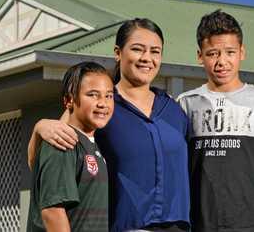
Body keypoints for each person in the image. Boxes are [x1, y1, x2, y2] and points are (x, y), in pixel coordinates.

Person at [27, 18, 191, 232]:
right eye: (137, 49)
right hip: (124, 226)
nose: (147, 58)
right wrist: (39, 128)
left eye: (155, 51)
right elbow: (48, 164)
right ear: (118, 52)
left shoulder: (174, 110)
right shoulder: (100, 108)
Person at [177, 10, 254, 232]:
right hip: (201, 224)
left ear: (242, 53)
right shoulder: (185, 103)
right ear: (200, 55)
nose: (222, 61)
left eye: (230, 52)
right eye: (212, 53)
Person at [27, 62, 114, 232]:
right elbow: (53, 212)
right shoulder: (62, 142)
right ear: (69, 100)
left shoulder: (89, 143)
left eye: (109, 96)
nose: (103, 103)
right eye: (93, 95)